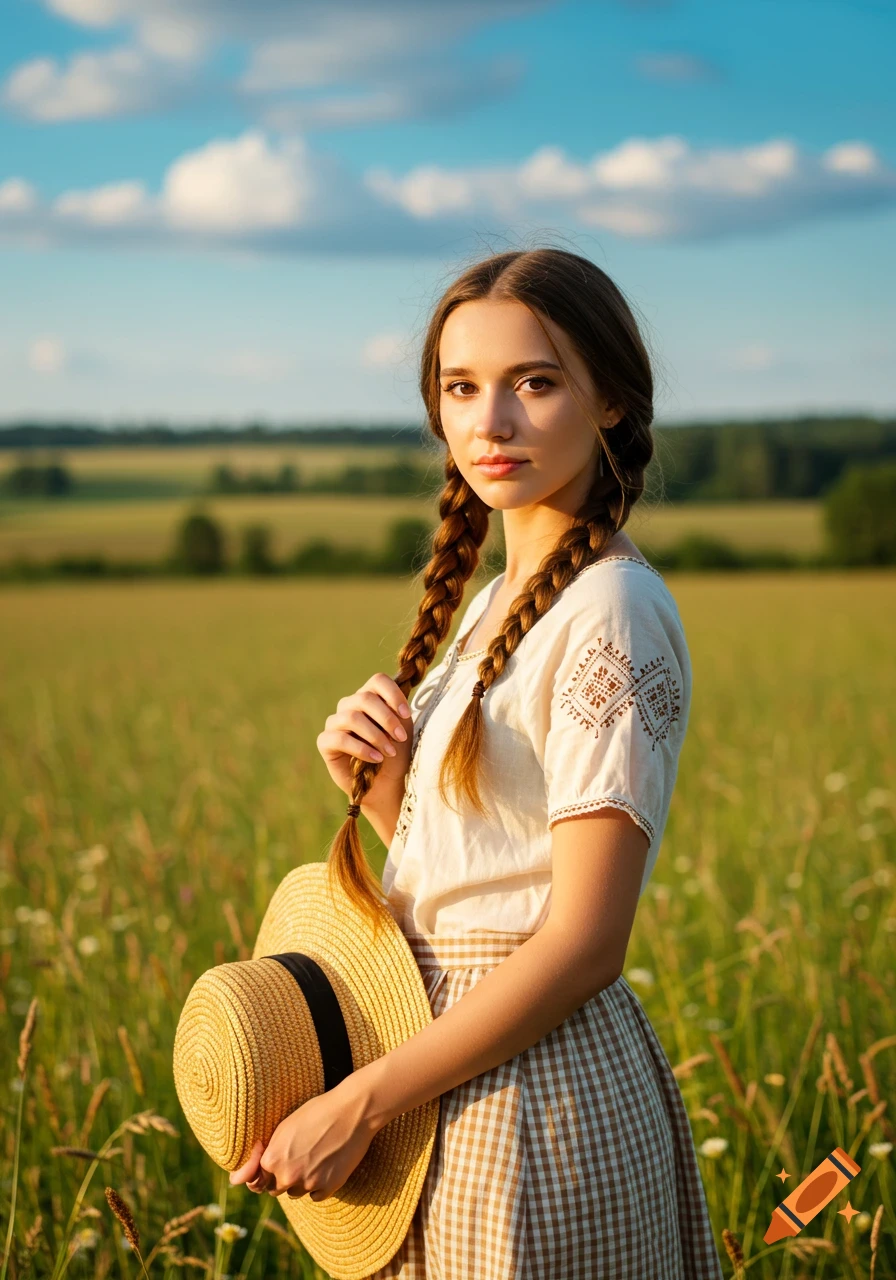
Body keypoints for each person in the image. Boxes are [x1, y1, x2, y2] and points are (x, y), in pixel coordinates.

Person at [230, 248, 724, 1280]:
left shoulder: (608, 610)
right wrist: (382, 791)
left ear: (611, 405)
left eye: (533, 383)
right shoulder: (500, 603)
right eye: (461, 387)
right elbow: (491, 867)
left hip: (527, 1101)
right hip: (446, 1065)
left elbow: (582, 939)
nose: (488, 422)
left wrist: (356, 1101)